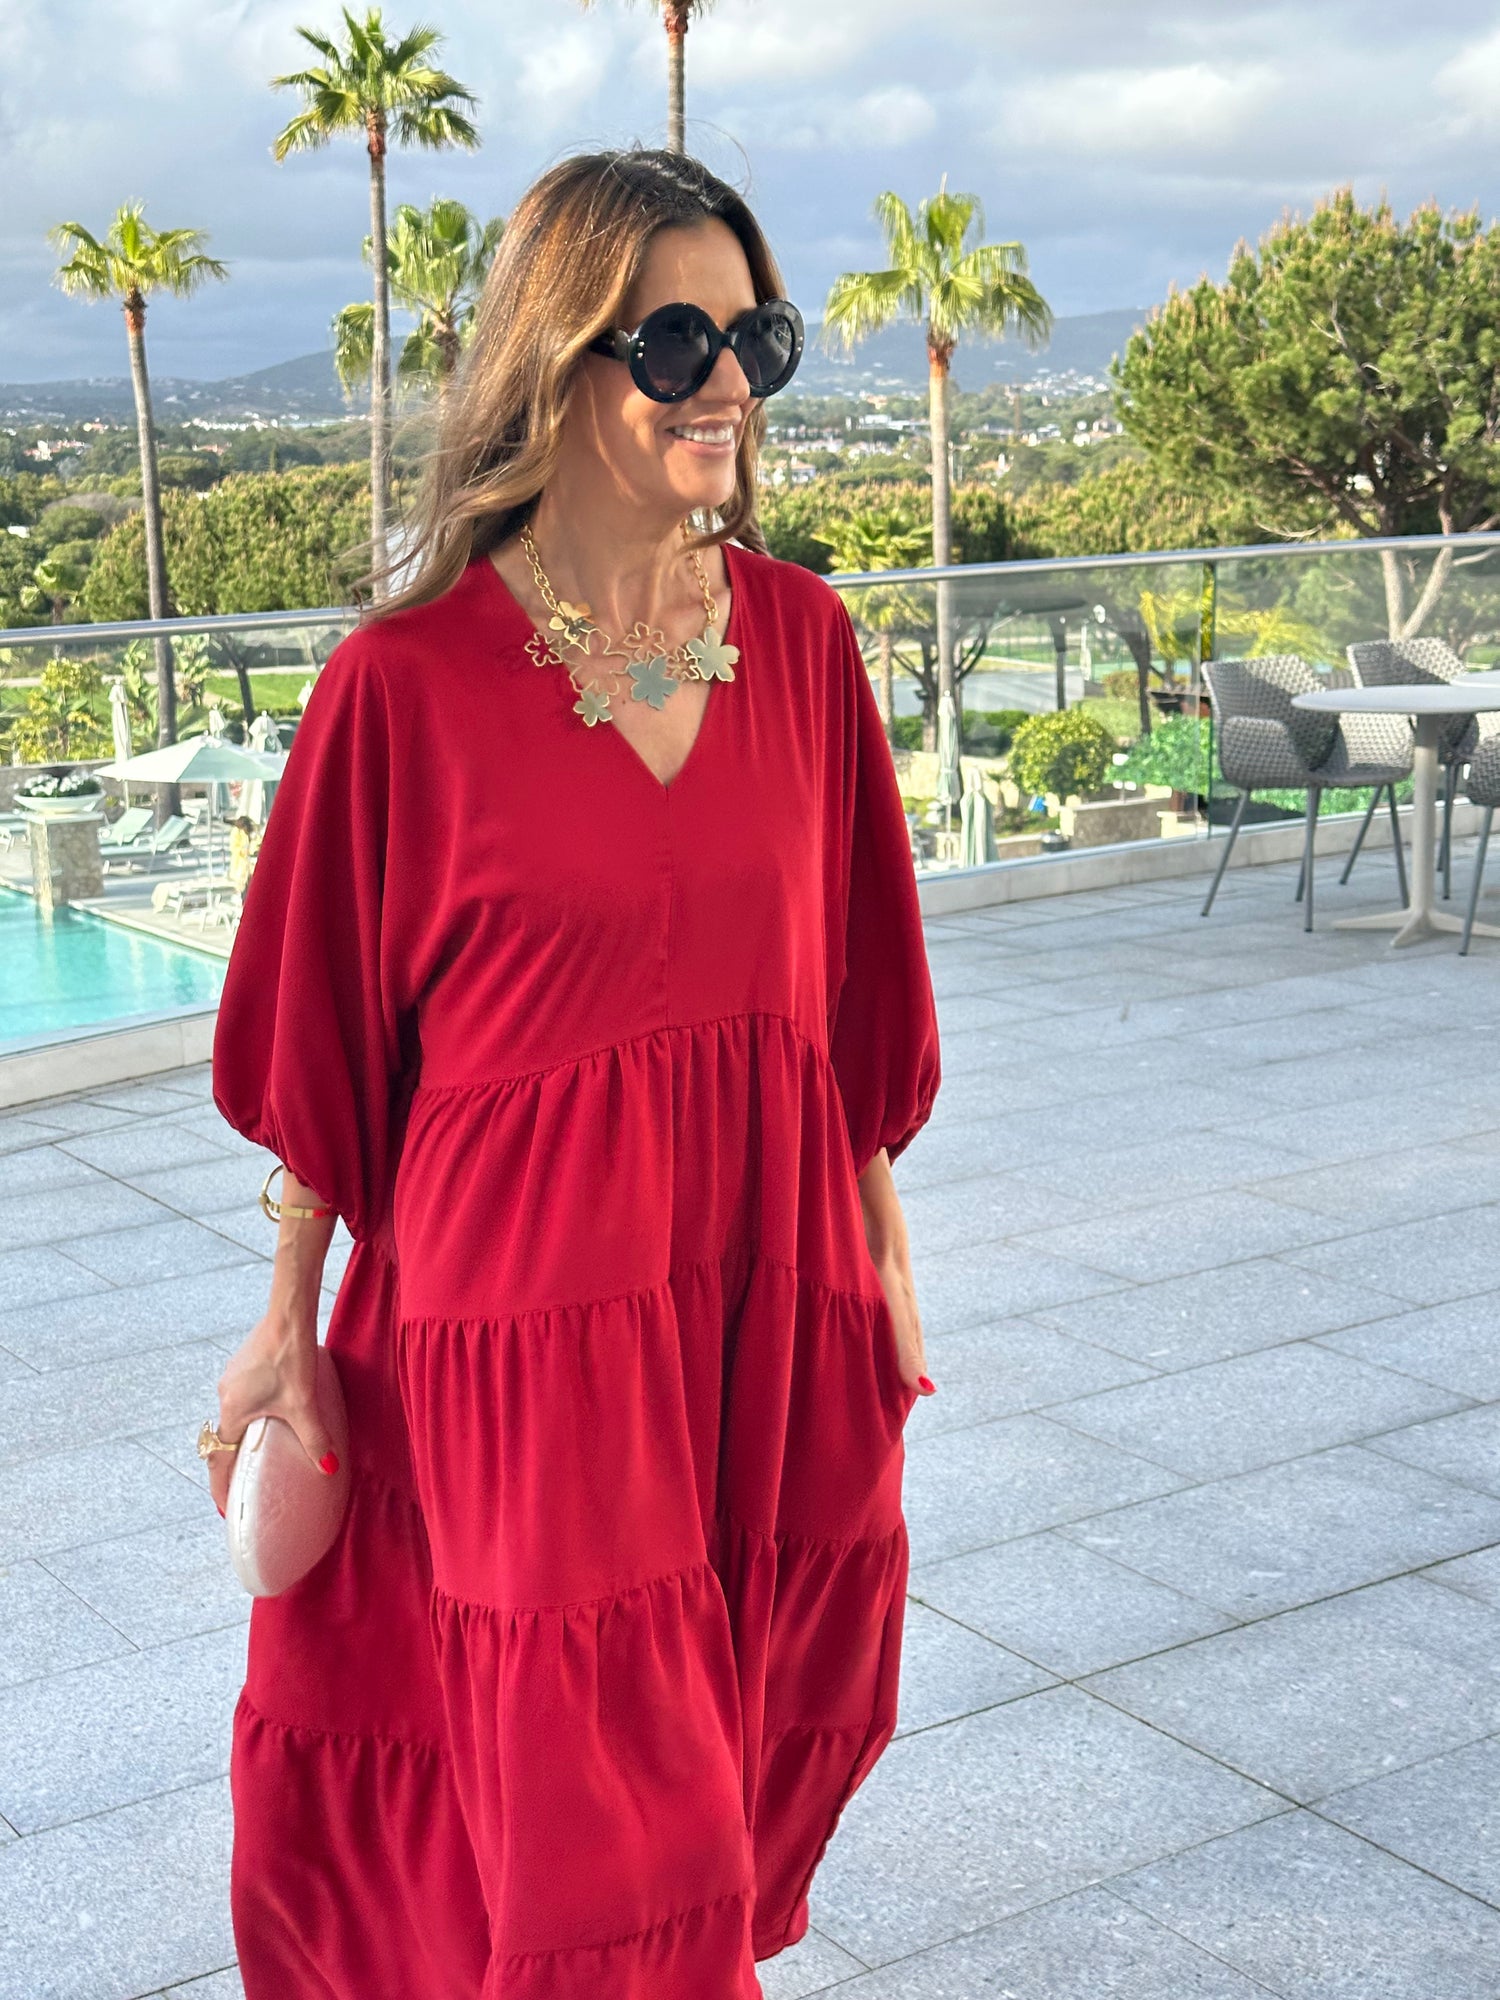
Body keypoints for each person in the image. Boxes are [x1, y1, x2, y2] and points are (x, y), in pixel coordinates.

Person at [202, 147, 942, 2000]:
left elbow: (850, 1005)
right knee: (589, 1809)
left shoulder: (807, 646)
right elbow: (320, 1045)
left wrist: (883, 1261)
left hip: (758, 1304)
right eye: (675, 340)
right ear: (555, 360)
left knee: (738, 1743)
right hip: (523, 1336)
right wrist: (287, 1321)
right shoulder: (402, 686)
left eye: (755, 337)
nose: (726, 382)